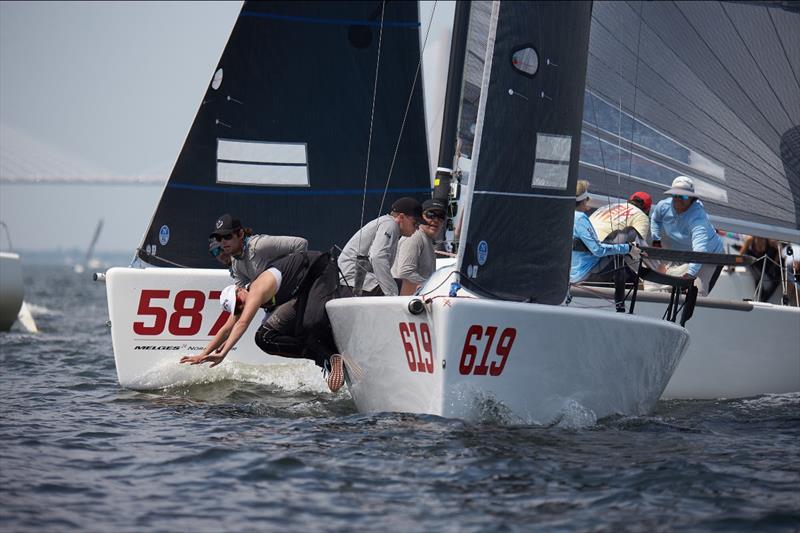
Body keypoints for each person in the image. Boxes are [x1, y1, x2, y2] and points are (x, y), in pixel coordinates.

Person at [180, 250, 345, 392]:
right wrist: (203, 355)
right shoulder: (242, 301)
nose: (241, 306)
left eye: (238, 302)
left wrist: (223, 353)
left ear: (240, 289)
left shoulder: (256, 289)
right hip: (303, 289)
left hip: (320, 268)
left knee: (310, 324)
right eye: (237, 307)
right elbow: (226, 329)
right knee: (265, 338)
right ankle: (327, 357)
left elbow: (243, 323)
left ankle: (330, 350)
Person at [571, 180, 640, 311]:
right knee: (626, 238)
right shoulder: (580, 218)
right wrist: (628, 248)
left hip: (570, 273)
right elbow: (598, 250)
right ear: (584, 200)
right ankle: (620, 304)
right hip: (585, 272)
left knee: (616, 241)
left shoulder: (565, 215)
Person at [650, 176, 725, 296]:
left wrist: (690, 274)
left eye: (683, 196)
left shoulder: (698, 219)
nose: (678, 199)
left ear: (691, 198)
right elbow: (655, 219)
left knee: (695, 295)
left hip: (709, 257)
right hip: (684, 254)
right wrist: (656, 239)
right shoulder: (663, 206)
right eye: (675, 195)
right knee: (668, 290)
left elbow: (700, 252)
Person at [338, 197, 424, 296]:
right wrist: (391, 293)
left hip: (351, 282)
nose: (417, 228)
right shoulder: (390, 224)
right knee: (413, 288)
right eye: (415, 223)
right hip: (353, 282)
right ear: (401, 217)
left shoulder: (387, 224)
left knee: (411, 286)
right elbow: (377, 257)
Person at [209, 213, 308, 288]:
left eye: (227, 236)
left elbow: (300, 244)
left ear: (240, 234)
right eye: (219, 238)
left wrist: (292, 284)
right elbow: (243, 296)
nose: (223, 242)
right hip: (277, 304)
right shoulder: (235, 264)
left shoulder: (259, 245)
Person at [392, 198, 446, 295]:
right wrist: (433, 286)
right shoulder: (415, 236)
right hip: (403, 302)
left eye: (441, 216)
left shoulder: (427, 240)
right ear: (421, 217)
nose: (436, 220)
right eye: (431, 215)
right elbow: (405, 272)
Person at [740, 235, 782, 302]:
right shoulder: (750, 240)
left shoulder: (769, 241)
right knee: (758, 278)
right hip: (752, 263)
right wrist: (733, 265)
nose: (761, 238)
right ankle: (760, 299)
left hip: (763, 263)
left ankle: (763, 299)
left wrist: (774, 264)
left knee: (776, 279)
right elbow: (741, 254)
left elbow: (779, 250)